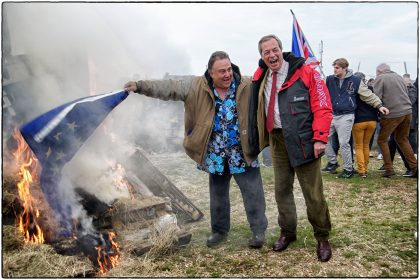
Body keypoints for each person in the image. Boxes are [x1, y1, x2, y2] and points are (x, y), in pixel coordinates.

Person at [124, 51, 268, 248]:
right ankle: (219, 231)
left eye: (228, 69)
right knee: (218, 195)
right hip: (215, 153)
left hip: (242, 149)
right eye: (221, 71)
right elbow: (167, 88)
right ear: (210, 73)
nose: (227, 75)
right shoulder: (196, 86)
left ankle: (258, 231)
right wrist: (140, 86)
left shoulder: (246, 85)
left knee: (253, 192)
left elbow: (271, 83)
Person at [249, 34, 333, 262]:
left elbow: (322, 105)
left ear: (281, 49)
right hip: (277, 140)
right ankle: (288, 232)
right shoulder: (261, 75)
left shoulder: (306, 72)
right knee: (282, 191)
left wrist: (320, 138)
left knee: (313, 194)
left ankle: (322, 236)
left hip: (304, 139)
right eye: (266, 52)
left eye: (274, 49)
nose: (271, 54)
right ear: (262, 56)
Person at [324, 58, 389, 178]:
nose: (334, 70)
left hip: (346, 115)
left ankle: (348, 169)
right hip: (332, 114)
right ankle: (333, 162)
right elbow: (320, 92)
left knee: (344, 143)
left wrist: (379, 106)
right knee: (322, 138)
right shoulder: (329, 79)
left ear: (345, 68)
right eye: (334, 67)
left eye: (337, 67)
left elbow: (368, 95)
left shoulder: (355, 80)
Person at [374, 63, 417, 178]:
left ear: (380, 71)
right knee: (402, 139)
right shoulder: (399, 77)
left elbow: (376, 97)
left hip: (392, 113)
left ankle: (389, 169)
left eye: (376, 72)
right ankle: (415, 167)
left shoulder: (380, 78)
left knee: (382, 140)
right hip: (407, 111)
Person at [352, 72, 389, 178]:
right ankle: (366, 169)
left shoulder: (354, 91)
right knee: (366, 145)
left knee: (358, 146)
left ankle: (361, 170)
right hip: (372, 121)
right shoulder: (371, 90)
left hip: (359, 121)